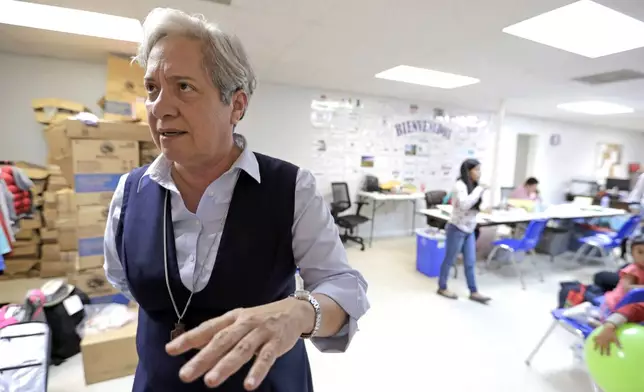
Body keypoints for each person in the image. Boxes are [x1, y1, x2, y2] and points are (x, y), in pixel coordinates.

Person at [103, 8, 369, 392]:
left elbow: (343, 285)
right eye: (151, 88)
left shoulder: (292, 188)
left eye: (183, 86)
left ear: (237, 105)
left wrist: (299, 312)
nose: (160, 106)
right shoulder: (130, 193)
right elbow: (121, 278)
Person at [437, 159, 491, 303]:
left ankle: (474, 291)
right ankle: (442, 287)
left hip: (469, 229)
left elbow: (474, 206)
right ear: (468, 171)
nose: (479, 173)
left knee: (470, 262)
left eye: (480, 170)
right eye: (476, 170)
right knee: (449, 260)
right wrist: (480, 190)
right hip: (456, 228)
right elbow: (465, 205)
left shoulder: (473, 186)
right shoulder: (459, 186)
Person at [581, 236, 644, 355]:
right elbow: (628, 289)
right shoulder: (632, 270)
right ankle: (599, 321)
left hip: (632, 305)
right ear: (632, 254)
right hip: (616, 304)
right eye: (640, 252)